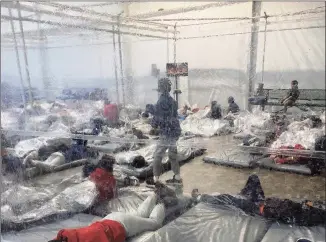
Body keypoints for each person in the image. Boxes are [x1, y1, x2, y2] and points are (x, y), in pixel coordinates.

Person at [49, 182, 176, 242]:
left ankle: (161, 202)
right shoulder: (64, 235)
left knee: (154, 223)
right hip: (111, 219)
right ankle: (155, 193)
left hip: (122, 226)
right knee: (139, 216)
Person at [192, 174, 326, 227]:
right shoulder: (317, 211)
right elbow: (303, 205)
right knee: (254, 177)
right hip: (266, 202)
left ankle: (200, 198)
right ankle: (244, 194)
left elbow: (287, 216)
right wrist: (307, 204)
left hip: (259, 210)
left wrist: (264, 208)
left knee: (228, 199)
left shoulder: (313, 218)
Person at [147, 78, 182, 185]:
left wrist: (153, 122)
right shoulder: (172, 101)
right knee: (173, 154)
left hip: (166, 132)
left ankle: (156, 179)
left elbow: (158, 117)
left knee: (157, 155)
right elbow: (174, 116)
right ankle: (177, 176)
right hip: (174, 131)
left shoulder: (161, 100)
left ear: (161, 88)